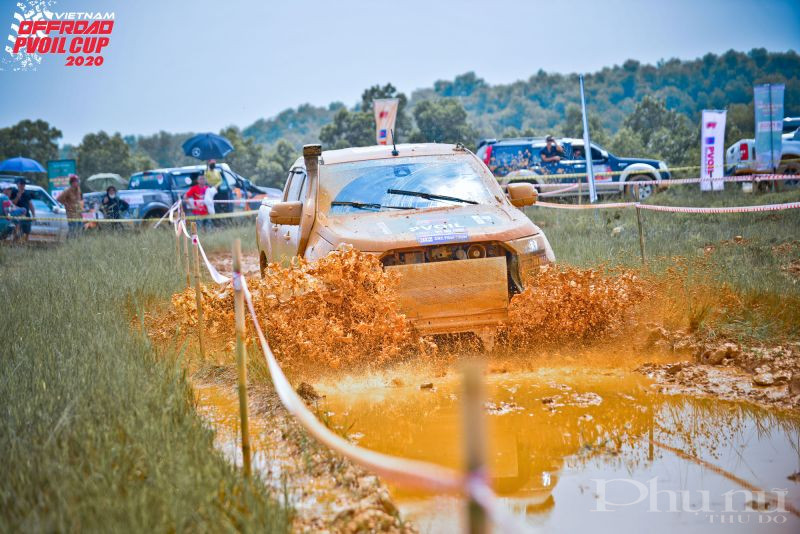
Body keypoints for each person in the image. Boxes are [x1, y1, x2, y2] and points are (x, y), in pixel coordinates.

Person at [56, 174, 83, 239]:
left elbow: (80, 199)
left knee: (80, 229)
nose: (77, 183)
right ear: (72, 183)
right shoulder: (67, 190)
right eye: (76, 181)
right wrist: (66, 204)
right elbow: (59, 199)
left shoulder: (79, 190)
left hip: (79, 213)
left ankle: (78, 243)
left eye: (78, 181)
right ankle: (70, 242)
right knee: (72, 230)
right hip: (71, 214)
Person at [9, 178, 35, 242]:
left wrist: (34, 215)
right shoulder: (14, 192)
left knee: (27, 231)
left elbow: (30, 204)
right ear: (17, 185)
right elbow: (12, 203)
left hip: (26, 215)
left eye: (23, 184)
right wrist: (18, 196)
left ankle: (25, 244)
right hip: (17, 215)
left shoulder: (27, 193)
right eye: (20, 184)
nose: (21, 186)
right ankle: (14, 243)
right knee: (17, 231)